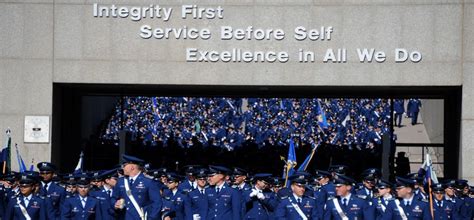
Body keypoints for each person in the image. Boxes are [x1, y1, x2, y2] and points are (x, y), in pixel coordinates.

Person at [111, 154, 162, 220]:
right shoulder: (121, 181)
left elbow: (157, 203)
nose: (122, 168)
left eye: (124, 166)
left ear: (132, 167)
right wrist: (115, 204)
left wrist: (151, 218)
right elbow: (113, 197)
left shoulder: (148, 182)